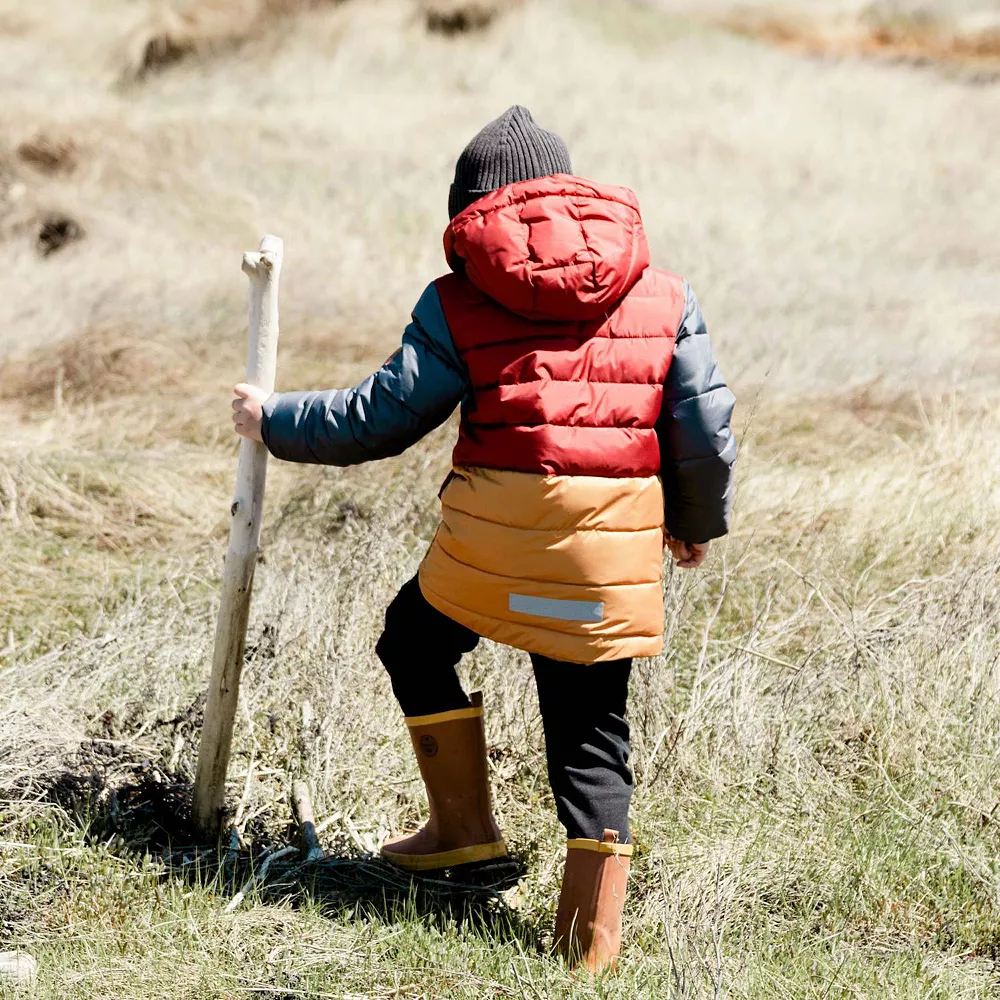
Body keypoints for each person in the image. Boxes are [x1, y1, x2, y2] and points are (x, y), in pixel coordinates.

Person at [232, 105, 736, 972]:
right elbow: (704, 430)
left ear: (471, 209)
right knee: (589, 734)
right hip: (605, 552)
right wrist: (693, 524)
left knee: (414, 640)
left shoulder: (458, 298)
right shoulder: (665, 293)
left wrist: (272, 419)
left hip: (492, 547)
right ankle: (590, 952)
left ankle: (465, 832)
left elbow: (378, 419)